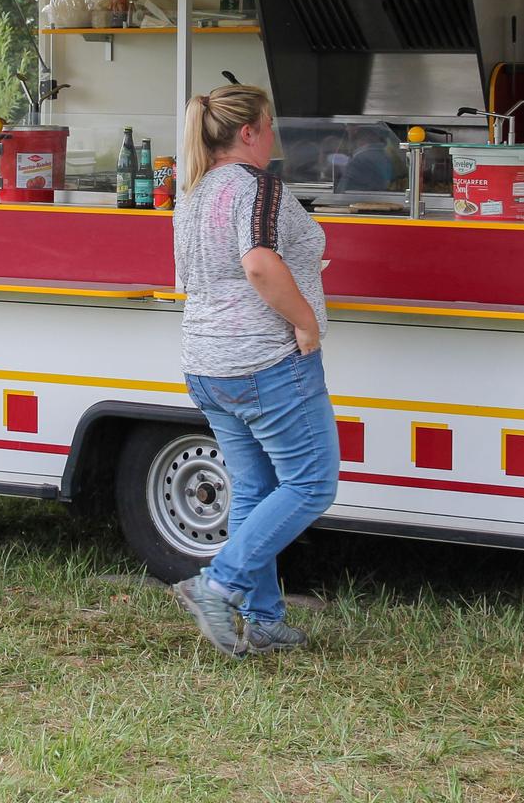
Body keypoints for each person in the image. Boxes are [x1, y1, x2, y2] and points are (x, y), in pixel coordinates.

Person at [169, 85, 339, 657]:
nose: (274, 137)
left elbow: (197, 275)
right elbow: (260, 264)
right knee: (312, 482)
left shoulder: (193, 191)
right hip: (263, 360)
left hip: (207, 362)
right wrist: (306, 323)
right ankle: (217, 583)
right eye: (269, 125)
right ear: (248, 133)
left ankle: (263, 622)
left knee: (257, 488)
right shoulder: (256, 184)